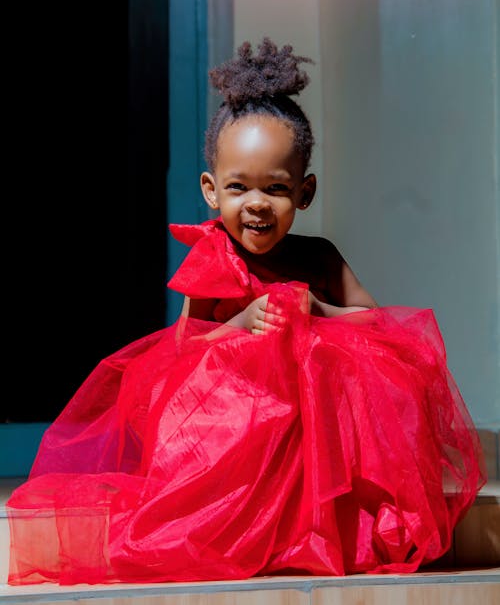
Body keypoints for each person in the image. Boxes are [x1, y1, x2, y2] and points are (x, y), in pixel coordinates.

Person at [7, 38, 485, 585]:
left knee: (363, 367)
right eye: (238, 187)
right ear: (211, 190)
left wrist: (319, 309)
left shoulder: (318, 255)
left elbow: (376, 325)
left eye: (276, 188)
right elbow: (186, 346)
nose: (256, 203)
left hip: (311, 439)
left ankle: (322, 523)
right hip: (237, 434)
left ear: (304, 193)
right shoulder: (213, 257)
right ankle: (235, 522)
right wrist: (238, 324)